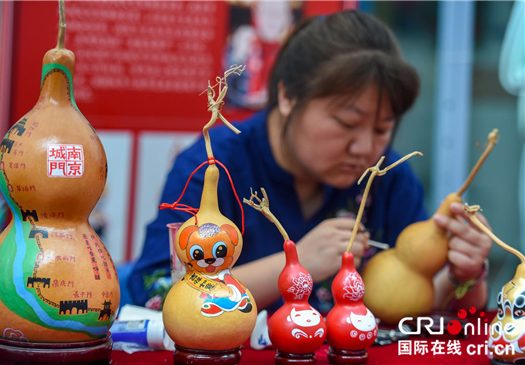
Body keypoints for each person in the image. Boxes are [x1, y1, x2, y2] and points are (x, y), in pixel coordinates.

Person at [129, 10, 491, 315]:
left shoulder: (388, 177)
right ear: (287, 95)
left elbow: (427, 313)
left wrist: (464, 276)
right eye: (347, 123)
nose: (366, 148)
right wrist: (293, 264)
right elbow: (158, 292)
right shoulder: (213, 165)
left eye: (383, 129)